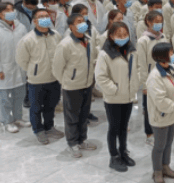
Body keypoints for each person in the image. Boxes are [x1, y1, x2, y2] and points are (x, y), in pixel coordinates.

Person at [95, 22, 139, 172]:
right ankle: (114, 156)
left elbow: (137, 69)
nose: (123, 37)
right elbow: (100, 77)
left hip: (128, 96)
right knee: (114, 127)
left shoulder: (131, 50)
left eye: (125, 34)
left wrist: (134, 86)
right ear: (111, 36)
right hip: (113, 98)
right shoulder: (105, 54)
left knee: (123, 127)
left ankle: (123, 152)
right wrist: (114, 89)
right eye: (119, 35)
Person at [52, 13, 98, 158]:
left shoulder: (88, 40)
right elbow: (57, 68)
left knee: (84, 115)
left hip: (87, 84)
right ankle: (72, 143)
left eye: (83, 21)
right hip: (72, 86)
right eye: (79, 21)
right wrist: (67, 81)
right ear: (71, 26)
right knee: (72, 116)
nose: (82, 23)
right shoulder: (65, 44)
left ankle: (82, 140)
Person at [16, 8, 64, 144]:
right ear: (35, 21)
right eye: (41, 17)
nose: (45, 19)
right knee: (36, 108)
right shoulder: (27, 39)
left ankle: (49, 127)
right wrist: (34, 70)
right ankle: (38, 130)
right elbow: (22, 60)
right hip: (36, 81)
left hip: (54, 78)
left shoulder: (56, 35)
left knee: (51, 105)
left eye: (47, 16)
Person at [145, 42, 174, 183]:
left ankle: (166, 166)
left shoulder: (173, 69)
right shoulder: (154, 77)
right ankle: (157, 172)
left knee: (168, 143)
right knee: (159, 145)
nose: (173, 55)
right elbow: (161, 102)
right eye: (171, 53)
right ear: (162, 56)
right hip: (161, 116)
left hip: (173, 114)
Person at [0, 2, 29, 133]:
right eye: (7, 10)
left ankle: (18, 118)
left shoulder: (20, 27)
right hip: (4, 69)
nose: (11, 12)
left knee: (19, 95)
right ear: (0, 14)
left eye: (12, 9)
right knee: (5, 98)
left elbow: (26, 46)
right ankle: (7, 121)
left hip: (20, 68)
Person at [137, 11, 167, 145]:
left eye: (161, 21)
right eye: (156, 22)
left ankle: (160, 130)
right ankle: (149, 134)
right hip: (150, 79)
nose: (159, 24)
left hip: (163, 77)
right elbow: (142, 64)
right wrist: (144, 84)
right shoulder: (143, 40)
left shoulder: (163, 37)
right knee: (149, 108)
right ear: (148, 22)